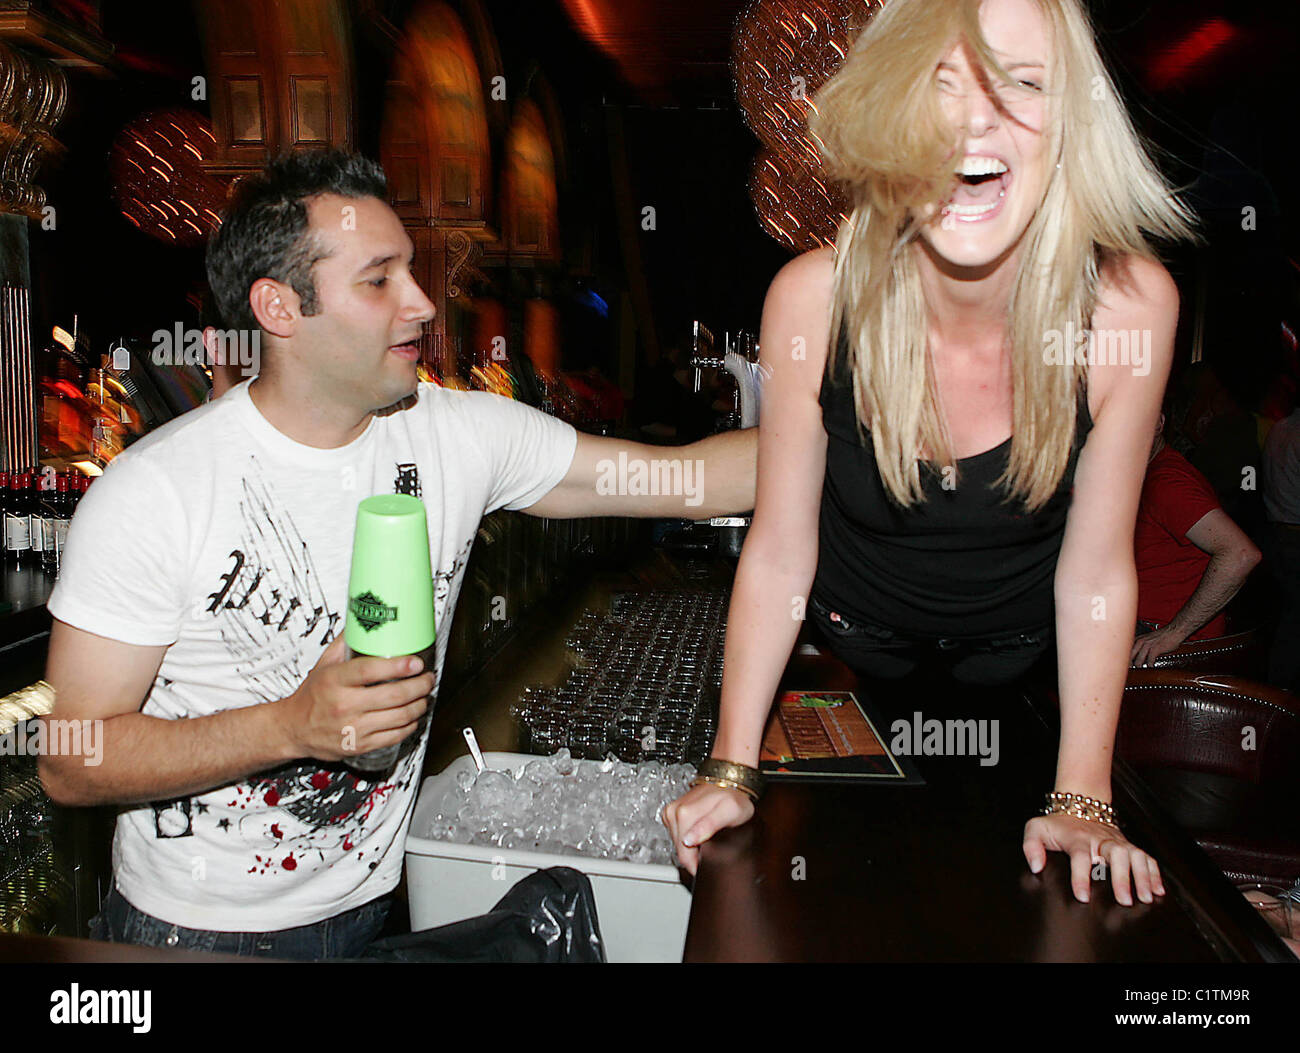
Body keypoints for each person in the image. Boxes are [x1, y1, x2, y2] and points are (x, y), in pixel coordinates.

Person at [37, 150, 756, 959]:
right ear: (279, 307)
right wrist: (289, 726)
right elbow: (71, 757)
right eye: (379, 280)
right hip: (194, 935)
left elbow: (687, 480)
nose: (421, 303)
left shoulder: (459, 434)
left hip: (378, 909)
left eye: (411, 271)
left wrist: (865, 426)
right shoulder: (155, 491)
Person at [663, 0, 1198, 908]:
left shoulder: (1128, 310)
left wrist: (1084, 798)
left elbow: (1099, 569)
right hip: (846, 650)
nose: (973, 120)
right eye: (935, 85)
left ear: (1074, 121)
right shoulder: (814, 299)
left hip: (1020, 661)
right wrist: (732, 767)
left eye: (1022, 84)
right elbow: (783, 547)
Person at [1131, 409, 1262, 666]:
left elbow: (1241, 554)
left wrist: (1174, 632)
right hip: (1143, 627)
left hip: (1159, 640)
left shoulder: (1167, 482)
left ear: (1158, 422)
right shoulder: (1153, 471)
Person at [1261, 398, 1300, 691]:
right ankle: (1281, 689)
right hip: (1294, 535)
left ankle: (1277, 685)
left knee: (1286, 612)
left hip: (1275, 531)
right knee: (1292, 617)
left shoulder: (1277, 430)